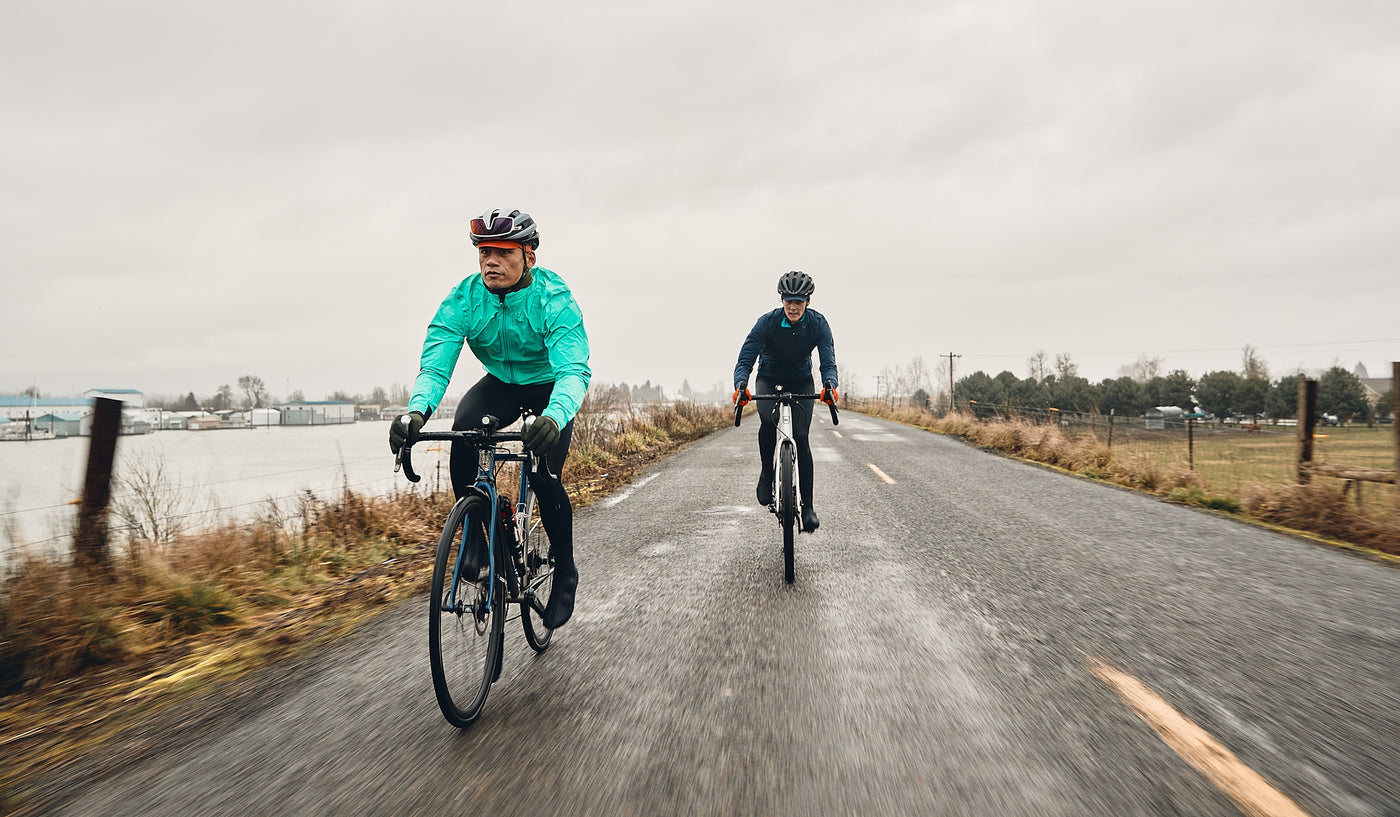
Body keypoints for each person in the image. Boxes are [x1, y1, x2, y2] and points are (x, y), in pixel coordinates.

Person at [389, 208, 590, 629]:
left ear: (529, 257)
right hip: (500, 383)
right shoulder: (465, 297)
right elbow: (436, 362)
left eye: (502, 252)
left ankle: (566, 571)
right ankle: (479, 537)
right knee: (464, 436)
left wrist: (553, 418)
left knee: (543, 474)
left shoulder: (553, 298)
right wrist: (416, 411)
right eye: (484, 252)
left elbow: (574, 369)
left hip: (549, 386)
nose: (490, 261)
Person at [732, 270, 838, 532]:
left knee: (801, 437)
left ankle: (809, 507)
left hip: (801, 382)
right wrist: (741, 385)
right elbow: (745, 359)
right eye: (788, 300)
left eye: (799, 301)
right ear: (782, 300)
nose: (793, 306)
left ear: (807, 302)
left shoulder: (818, 324)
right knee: (768, 422)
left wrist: (829, 385)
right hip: (769, 379)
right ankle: (767, 473)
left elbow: (828, 361)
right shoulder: (766, 323)